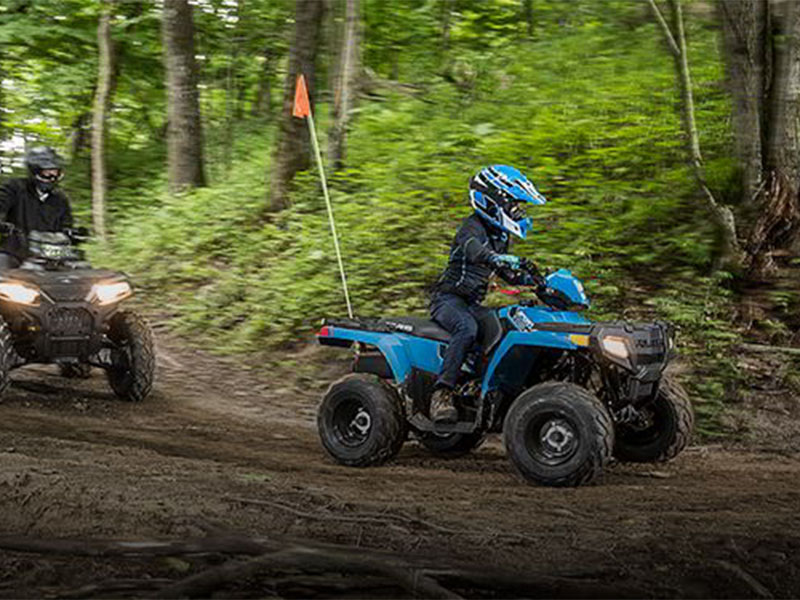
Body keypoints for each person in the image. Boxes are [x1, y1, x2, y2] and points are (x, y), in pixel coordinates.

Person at [429, 165, 547, 424]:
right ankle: (442, 393)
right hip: (448, 300)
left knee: (504, 327)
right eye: (514, 205)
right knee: (466, 329)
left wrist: (539, 283)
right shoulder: (471, 227)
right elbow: (475, 252)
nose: (518, 211)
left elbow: (508, 274)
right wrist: (501, 258)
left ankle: (479, 388)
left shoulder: (499, 235)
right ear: (493, 201)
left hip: (471, 302)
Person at [0, 146, 73, 269]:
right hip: (16, 252)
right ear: (34, 172)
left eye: (56, 173)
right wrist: (4, 226)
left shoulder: (60, 199)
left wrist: (71, 232)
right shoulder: (14, 188)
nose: (52, 177)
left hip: (52, 256)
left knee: (80, 271)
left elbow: (66, 223)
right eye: (47, 173)